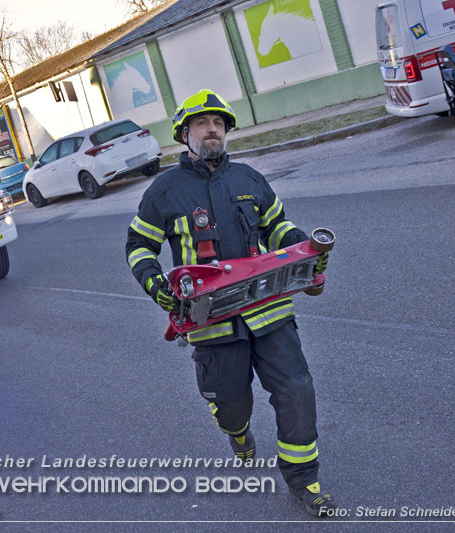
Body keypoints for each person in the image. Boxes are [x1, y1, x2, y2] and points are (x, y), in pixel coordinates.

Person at [125, 89, 334, 516]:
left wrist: (304, 249)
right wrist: (154, 282)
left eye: (219, 122)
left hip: (269, 312)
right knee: (232, 404)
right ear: (185, 133)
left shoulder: (250, 180)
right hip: (212, 323)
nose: (213, 128)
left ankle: (304, 480)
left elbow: (278, 228)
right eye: (202, 122)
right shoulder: (164, 191)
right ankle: (237, 433)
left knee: (296, 389)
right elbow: (138, 245)